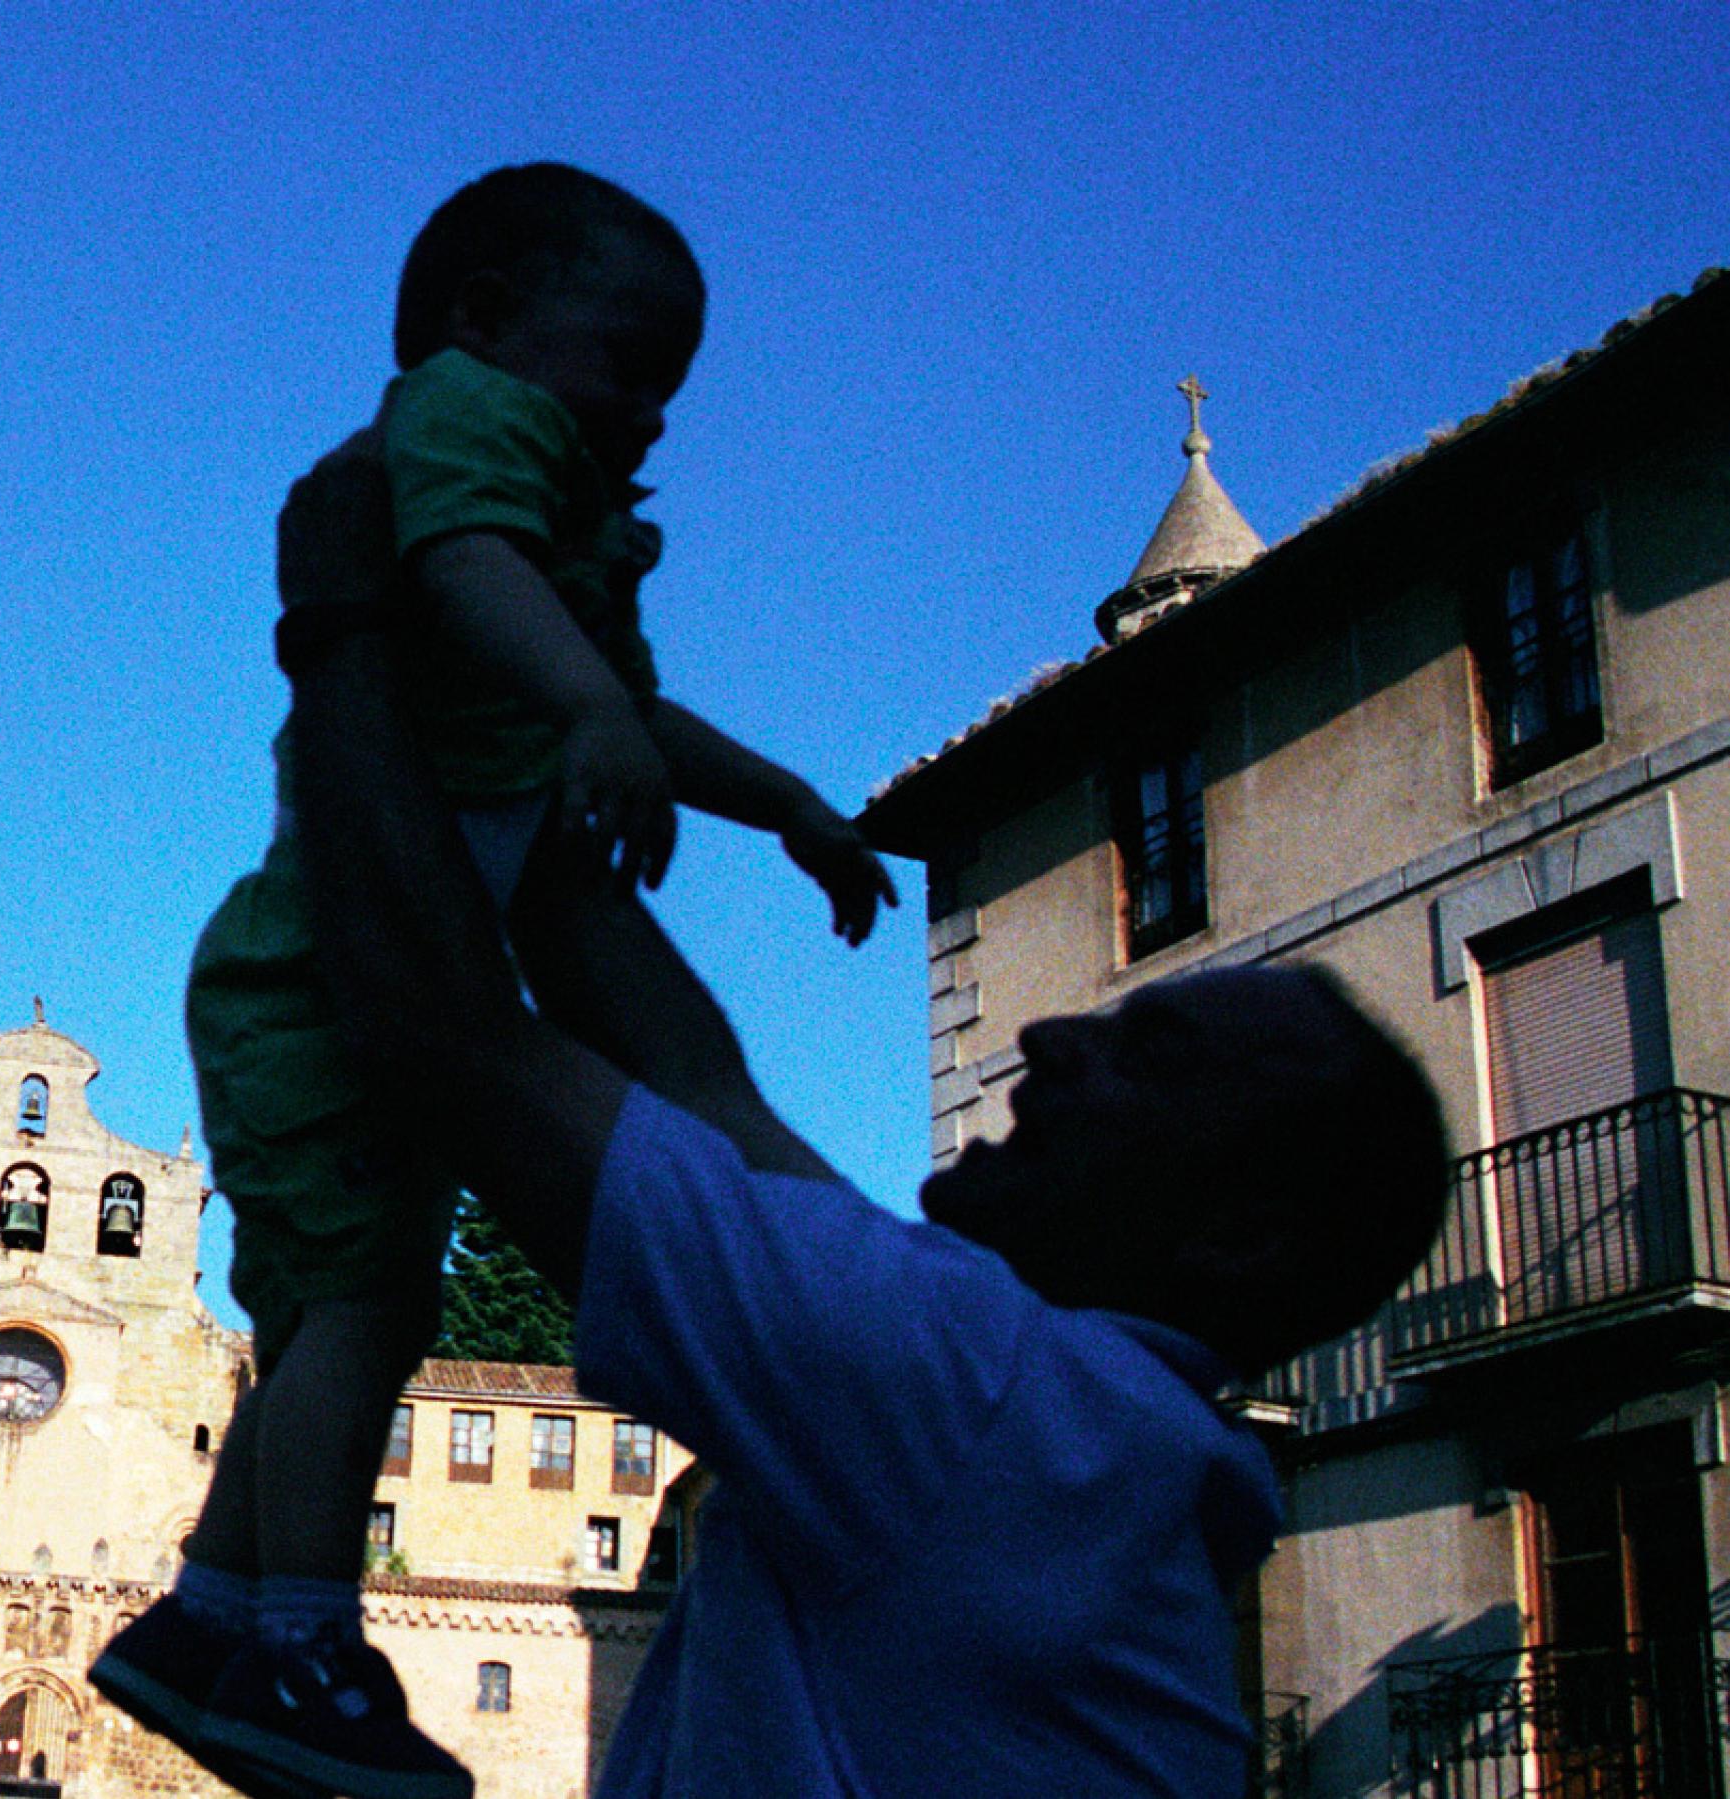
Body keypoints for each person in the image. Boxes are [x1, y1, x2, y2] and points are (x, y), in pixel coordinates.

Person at [258, 437, 1454, 1796]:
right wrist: (532, 752)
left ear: (1236, 1232)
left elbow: (438, 1026)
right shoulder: (1058, 1431)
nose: (1051, 1035)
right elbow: (703, 1093)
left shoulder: (978, 1397)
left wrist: (346, 628)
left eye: (1150, 1053)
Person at [97, 163, 893, 1799]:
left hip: (345, 960)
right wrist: (585, 710)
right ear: (482, 325)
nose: (652, 417)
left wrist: (782, 804)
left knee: (334, 1312)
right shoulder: (470, 419)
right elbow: (458, 565)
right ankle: (300, 1645)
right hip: (319, 974)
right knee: (365, 1311)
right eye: (629, 368)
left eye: (670, 389)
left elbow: (611, 696)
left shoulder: (570, 523)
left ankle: (207, 1618)